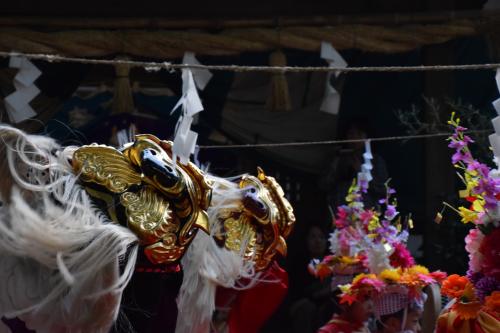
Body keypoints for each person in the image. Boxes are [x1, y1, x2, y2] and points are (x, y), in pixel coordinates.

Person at [320, 118, 388, 209]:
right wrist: (335, 161)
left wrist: (362, 172)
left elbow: (381, 190)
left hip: (365, 213)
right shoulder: (339, 158)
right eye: (351, 134)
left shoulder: (375, 160)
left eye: (359, 134)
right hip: (339, 211)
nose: (354, 138)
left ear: (366, 138)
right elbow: (324, 185)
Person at [289, 225, 334, 333]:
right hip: (304, 304)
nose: (317, 241)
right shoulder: (299, 263)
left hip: (328, 303)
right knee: (307, 308)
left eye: (321, 237)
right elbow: (300, 292)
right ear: (306, 240)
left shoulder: (333, 262)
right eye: (313, 237)